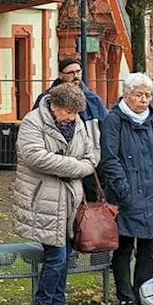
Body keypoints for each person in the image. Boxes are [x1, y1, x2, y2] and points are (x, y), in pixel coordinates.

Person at [13, 83, 100, 305]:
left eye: (74, 113)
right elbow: (36, 157)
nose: (72, 117)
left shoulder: (79, 123)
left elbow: (91, 157)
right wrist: (76, 167)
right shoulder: (33, 122)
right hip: (43, 200)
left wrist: (79, 167)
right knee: (56, 255)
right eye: (68, 113)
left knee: (67, 253)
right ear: (54, 106)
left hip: (71, 200)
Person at [101, 73, 153, 305]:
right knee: (124, 246)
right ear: (126, 95)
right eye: (138, 95)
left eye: (147, 95)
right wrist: (124, 190)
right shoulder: (114, 120)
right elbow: (110, 159)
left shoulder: (152, 119)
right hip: (125, 194)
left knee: (149, 247)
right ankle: (126, 298)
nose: (143, 100)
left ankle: (144, 295)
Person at [40, 58, 109, 200]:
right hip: (58, 165)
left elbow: (106, 131)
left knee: (88, 212)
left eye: (78, 71)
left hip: (89, 165)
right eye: (71, 72)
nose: (76, 76)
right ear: (61, 75)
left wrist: (101, 162)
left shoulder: (93, 100)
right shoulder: (47, 100)